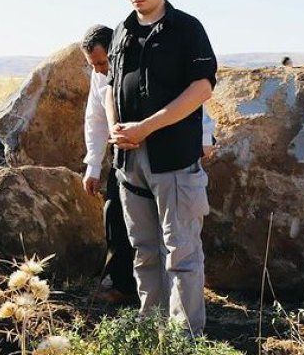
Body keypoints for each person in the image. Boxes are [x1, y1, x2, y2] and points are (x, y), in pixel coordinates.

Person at [108, 0, 217, 335]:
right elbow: (111, 87)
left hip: (173, 160)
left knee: (182, 254)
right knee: (144, 251)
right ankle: (152, 329)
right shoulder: (122, 30)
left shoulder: (187, 29)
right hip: (130, 160)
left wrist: (147, 127)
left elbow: (201, 88)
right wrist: (117, 129)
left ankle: (184, 337)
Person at [81, 24, 217, 307]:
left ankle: (180, 308)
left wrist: (204, 137)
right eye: (93, 65)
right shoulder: (101, 78)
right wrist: (93, 166)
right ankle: (125, 285)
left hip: (168, 157)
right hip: (126, 160)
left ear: (115, 53)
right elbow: (95, 118)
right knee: (117, 219)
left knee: (174, 235)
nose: (99, 70)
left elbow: (189, 100)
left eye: (103, 63)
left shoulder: (143, 64)